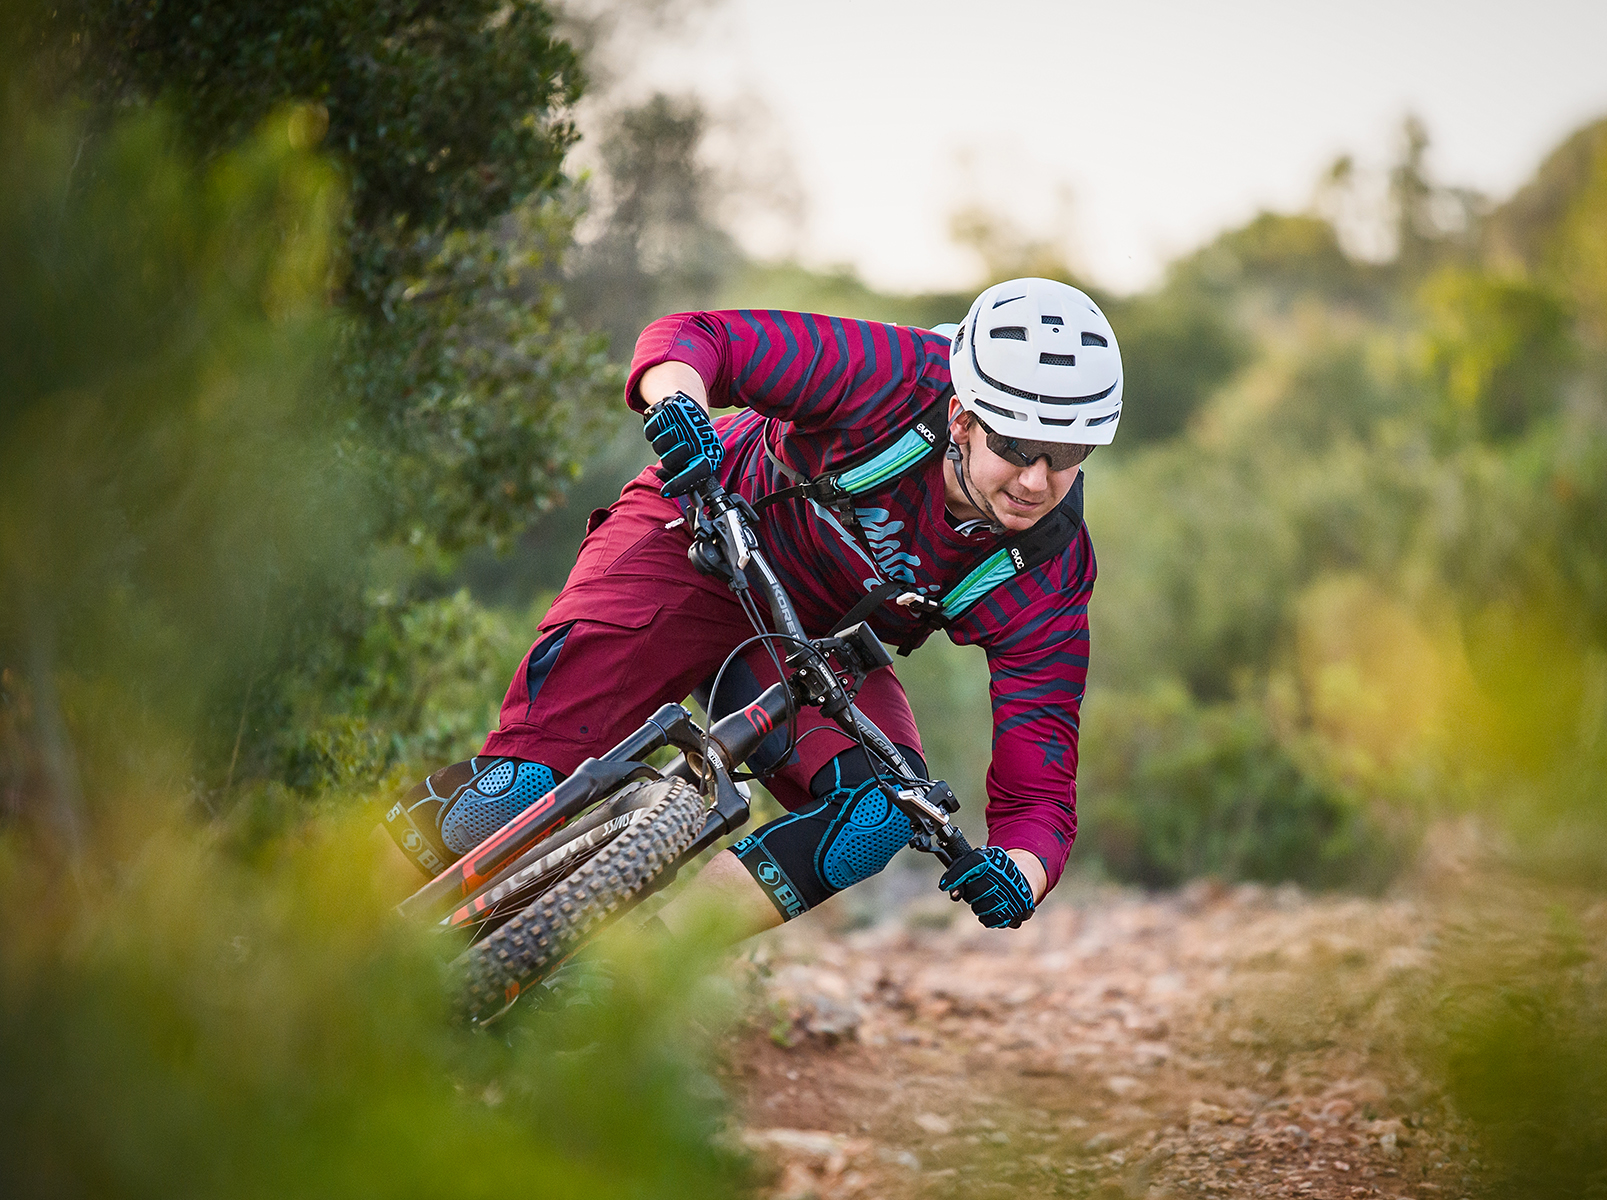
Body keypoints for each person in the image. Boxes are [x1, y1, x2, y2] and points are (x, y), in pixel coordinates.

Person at [381, 277, 1124, 940]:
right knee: (512, 794)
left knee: (879, 812)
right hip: (691, 543)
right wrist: (680, 405)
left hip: (806, 640)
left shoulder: (1047, 568)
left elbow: (1039, 794)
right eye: (1018, 444)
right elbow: (697, 337)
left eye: (1068, 454)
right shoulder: (889, 379)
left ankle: (634, 979)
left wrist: (1019, 873)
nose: (1036, 479)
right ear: (962, 416)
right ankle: (314, 934)